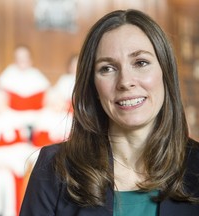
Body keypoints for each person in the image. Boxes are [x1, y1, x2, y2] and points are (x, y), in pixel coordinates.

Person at [20, 9, 199, 216]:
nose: (125, 82)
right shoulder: (54, 170)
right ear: (93, 86)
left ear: (165, 73)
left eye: (141, 63)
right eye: (107, 68)